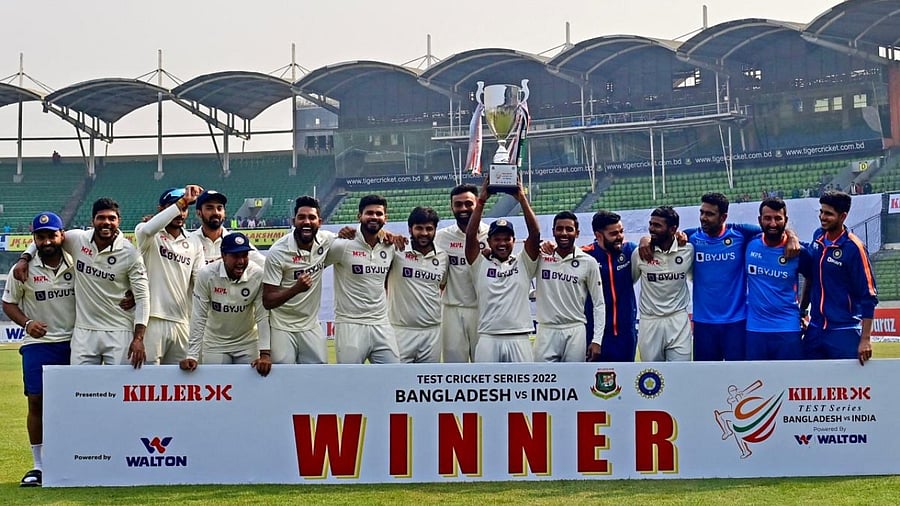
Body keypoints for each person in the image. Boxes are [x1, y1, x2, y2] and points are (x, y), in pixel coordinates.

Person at [17, 199, 149, 367]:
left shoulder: (130, 253)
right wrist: (24, 257)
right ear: (92, 220)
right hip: (83, 331)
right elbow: (48, 239)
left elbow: (143, 299)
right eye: (101, 218)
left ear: (118, 221)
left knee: (116, 388)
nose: (106, 222)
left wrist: (138, 338)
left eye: (111, 218)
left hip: (118, 329)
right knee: (79, 389)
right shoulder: (78, 239)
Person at [2, 212, 75, 487]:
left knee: (79, 402)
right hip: (38, 345)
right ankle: (38, 466)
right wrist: (28, 323)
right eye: (40, 237)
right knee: (36, 401)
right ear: (34, 238)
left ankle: (77, 459)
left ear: (61, 235)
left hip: (76, 341)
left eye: (51, 235)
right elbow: (8, 303)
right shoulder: (22, 270)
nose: (46, 241)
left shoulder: (77, 262)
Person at [681, 192, 796, 362]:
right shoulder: (690, 237)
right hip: (704, 323)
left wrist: (792, 237)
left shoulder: (741, 233)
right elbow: (662, 238)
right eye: (702, 212)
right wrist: (646, 240)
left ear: (723, 217)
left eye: (710, 214)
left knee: (738, 378)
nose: (703, 218)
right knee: (705, 379)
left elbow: (772, 228)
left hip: (736, 323)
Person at [465, 179, 540, 363]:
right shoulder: (480, 264)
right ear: (489, 242)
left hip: (520, 336)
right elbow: (470, 236)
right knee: (486, 389)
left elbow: (535, 234)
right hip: (488, 337)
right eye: (497, 239)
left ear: (514, 241)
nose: (502, 243)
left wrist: (521, 198)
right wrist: (481, 201)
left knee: (523, 389)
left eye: (507, 239)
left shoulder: (523, 263)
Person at [801, 191, 878, 364]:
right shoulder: (818, 237)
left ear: (843, 216)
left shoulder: (855, 248)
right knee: (808, 383)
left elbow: (869, 296)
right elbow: (810, 277)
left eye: (828, 214)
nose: (822, 217)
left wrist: (865, 339)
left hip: (844, 330)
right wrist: (803, 312)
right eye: (821, 212)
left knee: (848, 387)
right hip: (816, 329)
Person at [180, 233, 271, 376]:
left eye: (244, 255)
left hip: (247, 342)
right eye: (235, 256)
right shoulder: (207, 275)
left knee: (250, 390)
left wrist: (265, 353)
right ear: (223, 255)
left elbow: (262, 315)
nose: (241, 261)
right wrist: (192, 355)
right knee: (217, 391)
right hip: (215, 343)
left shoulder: (257, 275)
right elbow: (199, 317)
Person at [324, 195, 400, 363]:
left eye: (379, 214)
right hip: (350, 324)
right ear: (359, 216)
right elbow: (315, 266)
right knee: (350, 381)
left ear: (385, 218)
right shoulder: (342, 245)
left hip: (381, 323)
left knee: (394, 377)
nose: (374, 217)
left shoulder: (389, 246)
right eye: (369, 213)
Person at [134, 186, 205, 365]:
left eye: (185, 208)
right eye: (176, 206)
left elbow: (200, 282)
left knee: (181, 384)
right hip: (153, 320)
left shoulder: (194, 242)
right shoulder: (148, 233)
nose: (181, 212)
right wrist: (182, 202)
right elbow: (148, 230)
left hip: (182, 322)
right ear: (161, 210)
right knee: (149, 382)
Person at [262, 196, 335, 364]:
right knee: (283, 377)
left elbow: (358, 239)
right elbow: (267, 300)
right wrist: (295, 289)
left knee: (318, 374)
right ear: (293, 221)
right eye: (301, 217)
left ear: (320, 222)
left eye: (311, 217)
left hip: (310, 325)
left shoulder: (327, 241)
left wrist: (384, 233)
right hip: (282, 326)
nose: (306, 222)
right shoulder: (278, 252)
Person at [745, 198, 812, 360]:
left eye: (778, 218)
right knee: (755, 381)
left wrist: (802, 310)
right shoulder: (748, 242)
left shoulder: (799, 251)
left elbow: (811, 279)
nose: (773, 223)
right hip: (755, 329)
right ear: (759, 220)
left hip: (787, 328)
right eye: (767, 218)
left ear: (786, 220)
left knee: (789, 381)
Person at [533, 211, 604, 362]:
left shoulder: (588, 262)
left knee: (574, 381)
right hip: (546, 330)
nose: (563, 233)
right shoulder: (541, 257)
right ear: (553, 232)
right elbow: (520, 271)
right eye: (559, 229)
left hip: (575, 330)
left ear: (577, 233)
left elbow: (599, 303)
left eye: (569, 229)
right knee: (543, 382)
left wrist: (597, 340)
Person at [434, 183, 488, 362]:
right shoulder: (441, 237)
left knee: (484, 368)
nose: (463, 208)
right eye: (458, 204)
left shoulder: (492, 234)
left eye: (468, 203)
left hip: (484, 310)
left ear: (478, 204)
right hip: (452, 310)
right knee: (454, 368)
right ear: (451, 207)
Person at [632, 206, 693, 362]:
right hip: (650, 321)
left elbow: (694, 277)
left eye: (657, 225)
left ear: (673, 229)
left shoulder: (688, 250)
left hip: (678, 319)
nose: (651, 229)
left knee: (680, 373)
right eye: (651, 224)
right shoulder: (640, 253)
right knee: (652, 376)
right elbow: (630, 281)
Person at [387, 207, 448, 363]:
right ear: (410, 229)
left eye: (429, 229)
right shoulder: (397, 250)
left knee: (427, 383)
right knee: (398, 381)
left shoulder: (442, 257)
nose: (424, 233)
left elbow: (441, 286)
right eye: (419, 228)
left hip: (432, 332)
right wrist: (386, 235)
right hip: (400, 331)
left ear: (435, 230)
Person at [582, 211, 638, 362]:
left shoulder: (630, 251)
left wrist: (646, 240)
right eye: (613, 233)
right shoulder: (585, 256)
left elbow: (651, 245)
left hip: (626, 333)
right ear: (598, 235)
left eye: (621, 231)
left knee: (627, 379)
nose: (619, 236)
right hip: (595, 334)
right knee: (595, 382)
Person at [190, 190, 265, 266]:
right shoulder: (191, 241)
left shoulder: (235, 242)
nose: (216, 212)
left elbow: (265, 265)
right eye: (209, 208)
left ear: (224, 212)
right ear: (198, 213)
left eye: (219, 208)